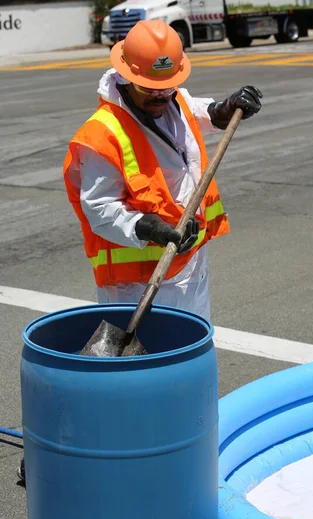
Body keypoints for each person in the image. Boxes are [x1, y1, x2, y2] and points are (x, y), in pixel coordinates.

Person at [63, 19, 262, 322]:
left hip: (188, 264)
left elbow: (196, 111)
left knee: (192, 350)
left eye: (167, 86)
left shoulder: (173, 99)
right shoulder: (102, 134)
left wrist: (224, 108)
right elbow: (99, 210)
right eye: (149, 88)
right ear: (126, 76)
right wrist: (150, 228)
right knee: (147, 364)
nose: (160, 96)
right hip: (137, 284)